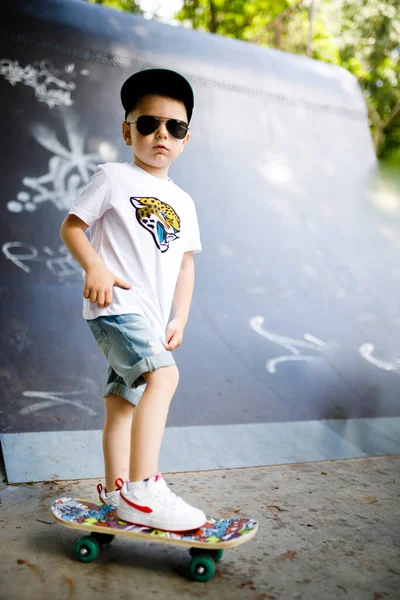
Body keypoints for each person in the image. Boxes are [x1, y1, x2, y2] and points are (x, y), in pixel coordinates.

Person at [60, 68, 206, 532]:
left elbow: (185, 264)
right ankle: (143, 491)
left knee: (122, 404)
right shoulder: (113, 177)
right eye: (148, 124)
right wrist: (96, 266)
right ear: (128, 130)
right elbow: (72, 227)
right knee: (164, 377)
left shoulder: (183, 200)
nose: (160, 134)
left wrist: (179, 316)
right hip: (116, 308)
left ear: (185, 139)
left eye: (174, 127)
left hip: (147, 316)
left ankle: (116, 488)